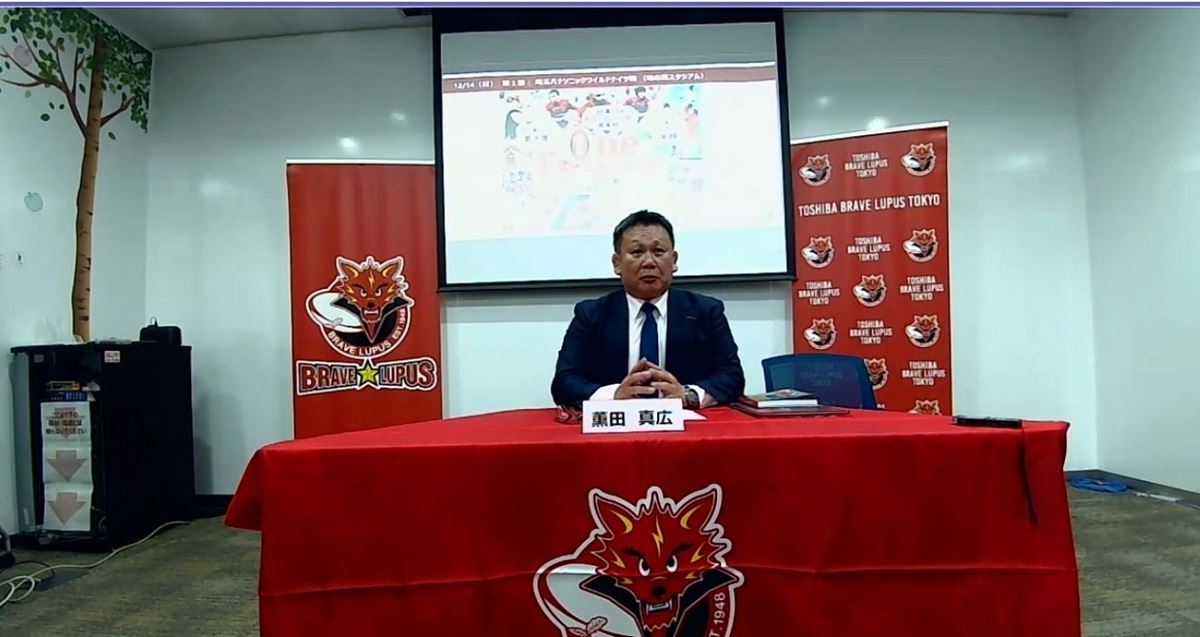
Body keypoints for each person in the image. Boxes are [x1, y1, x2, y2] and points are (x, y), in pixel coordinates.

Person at [551, 210, 745, 410]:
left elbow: (732, 376)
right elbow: (564, 382)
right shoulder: (591, 314)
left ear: (674, 261)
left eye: (658, 252)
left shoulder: (706, 312)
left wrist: (688, 395)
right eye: (637, 253)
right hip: (617, 424)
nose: (649, 262)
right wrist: (613, 396)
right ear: (617, 264)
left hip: (685, 424)